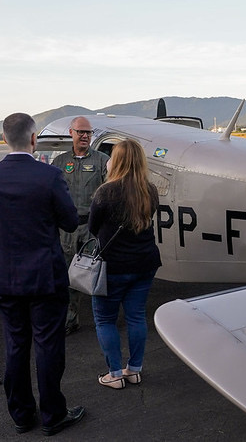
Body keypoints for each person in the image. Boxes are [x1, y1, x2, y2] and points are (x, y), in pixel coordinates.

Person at [0, 113, 85, 436]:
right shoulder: (49, 176)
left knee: (15, 345)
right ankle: (53, 414)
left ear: (6, 140)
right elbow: (69, 221)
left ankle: (22, 414)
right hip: (45, 275)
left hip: (7, 276)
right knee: (48, 346)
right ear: (34, 139)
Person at [88, 138, 162, 389]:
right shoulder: (150, 191)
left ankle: (115, 373)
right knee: (136, 317)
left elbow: (93, 228)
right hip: (144, 263)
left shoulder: (105, 192)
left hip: (112, 267)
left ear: (115, 161)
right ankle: (135, 370)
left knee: (106, 320)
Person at [51, 116, 109, 335]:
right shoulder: (59, 162)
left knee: (96, 275)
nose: (85, 136)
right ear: (71, 133)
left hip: (92, 228)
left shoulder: (102, 160)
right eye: (81, 132)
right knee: (67, 276)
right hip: (66, 230)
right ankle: (69, 320)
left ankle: (103, 320)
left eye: (89, 133)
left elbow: (109, 192)